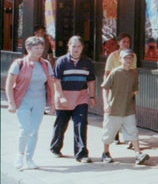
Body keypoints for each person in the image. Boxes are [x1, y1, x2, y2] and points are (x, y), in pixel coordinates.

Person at [5, 36, 55, 170]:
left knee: (34, 130)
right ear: (28, 49)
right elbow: (9, 84)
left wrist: (52, 103)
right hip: (23, 100)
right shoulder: (19, 63)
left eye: (41, 48)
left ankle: (29, 158)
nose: (40, 51)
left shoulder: (45, 64)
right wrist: (11, 102)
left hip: (39, 100)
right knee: (25, 129)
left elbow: (51, 83)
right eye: (36, 48)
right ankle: (19, 155)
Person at [50, 35, 96, 163]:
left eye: (79, 46)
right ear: (68, 47)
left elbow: (91, 81)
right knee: (61, 125)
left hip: (80, 98)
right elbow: (56, 81)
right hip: (64, 98)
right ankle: (55, 148)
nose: (76, 49)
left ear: (82, 48)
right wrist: (60, 97)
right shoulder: (61, 61)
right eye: (73, 46)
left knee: (81, 125)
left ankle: (81, 153)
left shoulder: (87, 62)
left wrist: (92, 96)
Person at [99, 49, 149, 165]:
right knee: (108, 132)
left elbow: (134, 90)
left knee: (133, 131)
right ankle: (105, 153)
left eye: (131, 58)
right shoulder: (115, 72)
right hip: (113, 108)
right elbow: (105, 88)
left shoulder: (133, 74)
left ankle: (138, 154)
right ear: (120, 59)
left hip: (128, 109)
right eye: (126, 58)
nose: (129, 60)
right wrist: (106, 103)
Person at [104, 33, 137, 146]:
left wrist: (134, 86)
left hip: (127, 87)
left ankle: (130, 139)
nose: (126, 44)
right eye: (124, 41)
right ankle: (114, 136)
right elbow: (107, 73)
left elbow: (134, 71)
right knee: (114, 114)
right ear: (118, 43)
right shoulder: (112, 56)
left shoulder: (133, 55)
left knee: (128, 113)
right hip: (115, 87)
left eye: (128, 42)